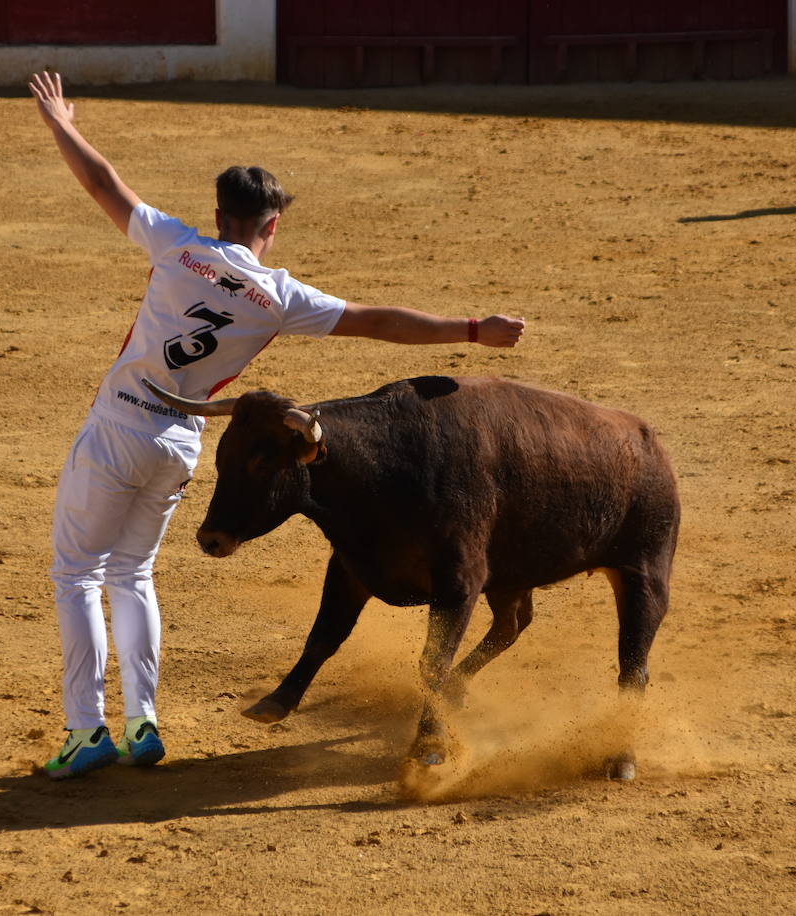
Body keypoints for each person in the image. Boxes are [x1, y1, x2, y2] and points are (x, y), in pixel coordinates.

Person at [28, 71, 525, 779]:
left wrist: (60, 121)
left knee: (78, 573)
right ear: (272, 225)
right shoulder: (279, 296)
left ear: (219, 214)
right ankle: (141, 722)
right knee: (132, 573)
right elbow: (379, 321)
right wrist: (472, 329)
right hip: (179, 441)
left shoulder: (175, 245)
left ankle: (86, 731)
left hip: (117, 425)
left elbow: (102, 182)